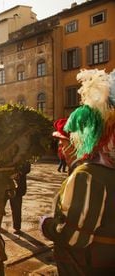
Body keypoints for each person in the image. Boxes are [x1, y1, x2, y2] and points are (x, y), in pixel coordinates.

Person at [41, 68, 115, 275]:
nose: (62, 147)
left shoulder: (88, 175)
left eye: (69, 139)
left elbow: (74, 237)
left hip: (86, 265)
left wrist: (46, 224)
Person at [10, 161, 31, 234]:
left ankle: (17, 227)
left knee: (17, 208)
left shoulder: (23, 154)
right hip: (4, 185)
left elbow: (27, 167)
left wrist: (18, 173)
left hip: (18, 187)